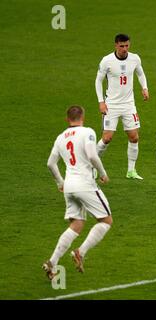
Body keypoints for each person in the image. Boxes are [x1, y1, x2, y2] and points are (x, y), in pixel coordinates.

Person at [43, 106, 112, 279]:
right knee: (106, 220)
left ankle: (52, 262)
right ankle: (80, 252)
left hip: (69, 186)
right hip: (85, 184)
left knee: (77, 224)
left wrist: (60, 182)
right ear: (83, 117)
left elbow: (50, 164)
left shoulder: (60, 138)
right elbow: (92, 155)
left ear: (67, 119)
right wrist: (103, 174)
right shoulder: (87, 132)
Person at [95, 33, 149, 180]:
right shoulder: (107, 61)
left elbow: (141, 74)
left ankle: (131, 171)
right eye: (121, 46)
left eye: (127, 45)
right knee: (107, 138)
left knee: (134, 137)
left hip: (129, 105)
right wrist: (101, 101)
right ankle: (93, 165)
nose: (125, 49)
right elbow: (98, 81)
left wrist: (144, 88)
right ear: (116, 45)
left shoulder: (135, 58)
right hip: (111, 105)